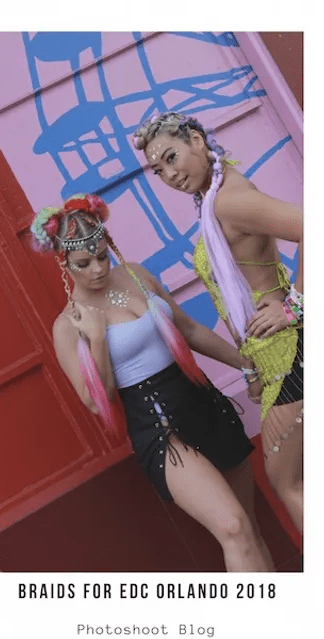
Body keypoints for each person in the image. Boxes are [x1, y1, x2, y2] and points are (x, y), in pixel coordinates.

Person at [30, 192, 275, 572]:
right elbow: (96, 401)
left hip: (199, 401)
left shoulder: (136, 275)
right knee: (233, 526)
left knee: (250, 528)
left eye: (101, 256)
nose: (96, 269)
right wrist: (96, 339)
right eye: (83, 263)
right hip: (160, 430)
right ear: (64, 263)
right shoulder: (67, 326)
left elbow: (189, 329)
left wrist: (245, 364)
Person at [132, 111, 303, 534]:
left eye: (172, 157)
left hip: (290, 359)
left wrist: (295, 306)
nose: (169, 174)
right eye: (159, 170)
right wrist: (251, 365)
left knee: (290, 482)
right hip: (273, 362)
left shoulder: (229, 200)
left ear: (196, 139)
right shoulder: (215, 198)